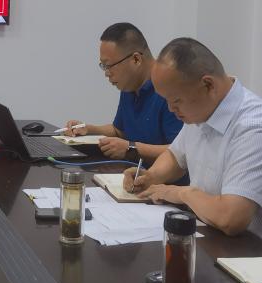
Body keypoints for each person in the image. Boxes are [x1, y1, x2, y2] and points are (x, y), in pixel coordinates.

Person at [122, 37, 262, 247]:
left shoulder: (256, 128)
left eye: (176, 101)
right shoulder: (200, 110)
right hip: (212, 234)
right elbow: (176, 155)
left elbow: (231, 219)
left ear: (208, 85)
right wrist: (151, 176)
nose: (171, 109)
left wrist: (181, 193)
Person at [64, 23, 183, 173]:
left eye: (109, 66)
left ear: (136, 59)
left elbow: (181, 151)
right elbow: (119, 131)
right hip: (130, 175)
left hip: (164, 182)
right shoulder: (130, 85)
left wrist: (131, 148)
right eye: (103, 66)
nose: (106, 73)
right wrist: (89, 129)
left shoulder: (169, 88)